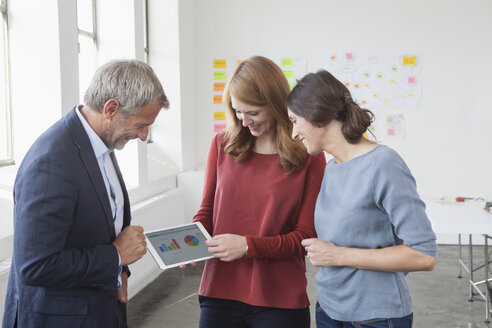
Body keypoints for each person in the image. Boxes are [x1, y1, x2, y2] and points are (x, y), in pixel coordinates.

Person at [2, 59, 169, 328]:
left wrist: (120, 273)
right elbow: (35, 265)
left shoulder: (100, 143)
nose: (143, 135)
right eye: (140, 124)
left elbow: (102, 225)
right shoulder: (51, 162)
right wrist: (115, 256)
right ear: (111, 109)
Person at [286, 70, 438, 328]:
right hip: (329, 310)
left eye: (294, 121)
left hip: (376, 317)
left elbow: (424, 255)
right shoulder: (332, 167)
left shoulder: (383, 164)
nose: (293, 133)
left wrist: (338, 255)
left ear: (316, 117)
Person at [192, 56, 326, 328]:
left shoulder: (309, 154)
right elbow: (207, 212)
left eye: (253, 113)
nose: (244, 121)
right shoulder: (222, 144)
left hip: (279, 298)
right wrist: (189, 241)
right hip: (220, 290)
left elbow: (305, 236)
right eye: (238, 112)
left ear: (277, 104)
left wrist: (247, 246)